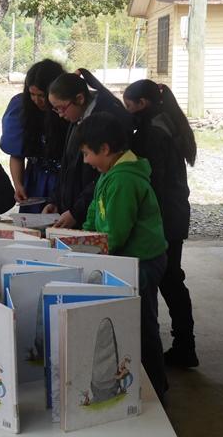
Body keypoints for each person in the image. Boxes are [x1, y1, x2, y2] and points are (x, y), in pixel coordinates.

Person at [75, 111, 168, 403]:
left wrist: (86, 253)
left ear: (105, 149)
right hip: (125, 259)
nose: (86, 161)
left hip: (141, 262)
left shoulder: (124, 180)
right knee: (134, 322)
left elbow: (114, 235)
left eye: (88, 153)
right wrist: (81, 240)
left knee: (142, 325)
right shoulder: (109, 174)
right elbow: (94, 214)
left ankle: (157, 388)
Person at [124, 79, 199, 368]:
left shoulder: (153, 132)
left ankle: (183, 346)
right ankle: (184, 344)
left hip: (166, 218)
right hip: (174, 214)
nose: (127, 112)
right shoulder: (163, 122)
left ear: (142, 104)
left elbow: (153, 181)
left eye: (129, 106)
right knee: (172, 280)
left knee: (168, 280)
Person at [43, 69, 134, 228]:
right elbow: (67, 163)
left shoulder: (107, 118)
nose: (60, 114)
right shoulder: (77, 116)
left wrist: (76, 212)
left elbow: (101, 177)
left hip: (91, 214)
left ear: (79, 98)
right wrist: (56, 200)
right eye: (55, 109)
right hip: (73, 210)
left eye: (61, 108)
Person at [0, 60, 69, 213]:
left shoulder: (68, 110)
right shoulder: (20, 108)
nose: (37, 100)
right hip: (34, 181)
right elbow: (16, 155)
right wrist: (18, 185)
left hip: (65, 183)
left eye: (42, 95)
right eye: (32, 94)